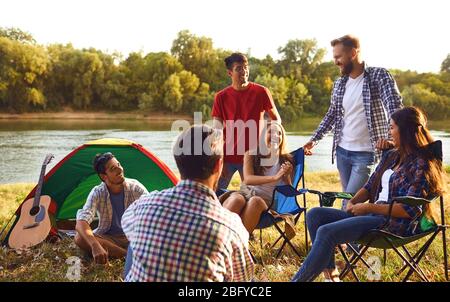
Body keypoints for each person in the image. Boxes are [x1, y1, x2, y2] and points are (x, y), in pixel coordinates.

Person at [292, 107, 444, 282]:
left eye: (392, 127)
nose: (389, 132)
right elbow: (370, 185)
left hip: (395, 224)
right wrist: (354, 202)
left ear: (406, 131)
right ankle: (331, 278)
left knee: (327, 231)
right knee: (315, 215)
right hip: (373, 216)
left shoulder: (422, 164)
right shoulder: (393, 156)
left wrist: (368, 207)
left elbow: (408, 211)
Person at [122, 125, 254, 281]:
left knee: (137, 234)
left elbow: (127, 227)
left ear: (178, 162)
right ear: (219, 165)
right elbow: (241, 280)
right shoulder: (232, 227)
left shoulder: (143, 205)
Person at [303, 35, 403, 209]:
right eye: (334, 57)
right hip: (342, 152)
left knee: (349, 202)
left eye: (338, 57)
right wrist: (315, 139)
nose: (335, 62)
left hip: (366, 154)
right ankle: (356, 235)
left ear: (353, 53)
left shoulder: (378, 76)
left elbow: (395, 109)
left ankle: (341, 234)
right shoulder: (340, 83)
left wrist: (392, 139)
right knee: (347, 196)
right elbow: (332, 114)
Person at [212, 52, 281, 190]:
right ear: (230, 73)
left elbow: (276, 119)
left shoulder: (261, 92)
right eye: (239, 68)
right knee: (214, 193)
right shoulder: (221, 97)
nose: (244, 71)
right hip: (227, 157)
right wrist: (217, 158)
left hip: (253, 157)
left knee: (252, 196)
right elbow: (217, 130)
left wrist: (270, 143)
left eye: (246, 67)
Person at [74, 152, 148, 264]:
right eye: (113, 168)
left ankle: (122, 255)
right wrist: (95, 245)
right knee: (80, 238)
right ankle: (127, 256)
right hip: (110, 238)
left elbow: (152, 209)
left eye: (119, 165)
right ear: (104, 176)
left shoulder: (135, 188)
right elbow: (81, 222)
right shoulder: (97, 192)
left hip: (134, 237)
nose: (120, 170)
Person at [221, 121, 293, 233]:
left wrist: (287, 175)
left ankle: (239, 242)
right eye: (271, 132)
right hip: (245, 193)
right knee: (236, 199)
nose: (275, 136)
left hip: (267, 202)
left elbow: (289, 191)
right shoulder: (251, 154)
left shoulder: (285, 160)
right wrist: (274, 178)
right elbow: (248, 179)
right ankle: (215, 236)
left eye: (279, 133)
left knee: (255, 201)